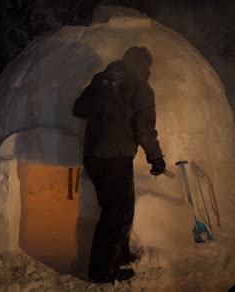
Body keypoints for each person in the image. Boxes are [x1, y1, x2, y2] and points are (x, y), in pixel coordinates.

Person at [72, 46, 166, 283]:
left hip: (93, 157)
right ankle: (101, 271)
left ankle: (120, 255)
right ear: (143, 65)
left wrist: (104, 102)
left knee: (117, 209)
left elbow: (79, 108)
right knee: (117, 214)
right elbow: (144, 128)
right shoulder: (140, 87)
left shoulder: (102, 80)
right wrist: (155, 157)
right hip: (116, 157)